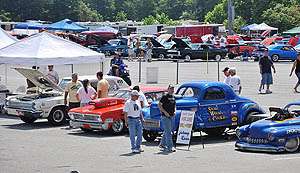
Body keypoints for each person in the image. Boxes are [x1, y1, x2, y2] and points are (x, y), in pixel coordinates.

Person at [158, 84, 176, 152]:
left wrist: (175, 111)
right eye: (171, 88)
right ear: (168, 89)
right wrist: (165, 112)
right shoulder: (165, 96)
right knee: (168, 132)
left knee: (167, 131)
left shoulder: (173, 97)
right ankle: (170, 147)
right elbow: (159, 105)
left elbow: (174, 105)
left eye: (173, 89)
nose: (172, 90)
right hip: (165, 116)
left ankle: (162, 144)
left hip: (172, 116)